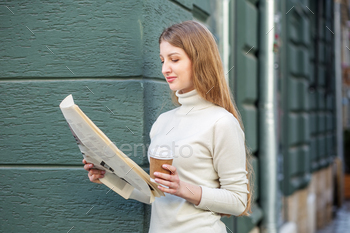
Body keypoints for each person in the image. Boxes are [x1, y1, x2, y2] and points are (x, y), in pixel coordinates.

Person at [83, 20, 253, 233]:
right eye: (162, 60)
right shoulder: (163, 121)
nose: (165, 69)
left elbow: (237, 201)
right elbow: (156, 193)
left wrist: (184, 189)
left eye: (174, 59)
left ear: (200, 60)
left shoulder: (221, 122)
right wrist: (107, 176)